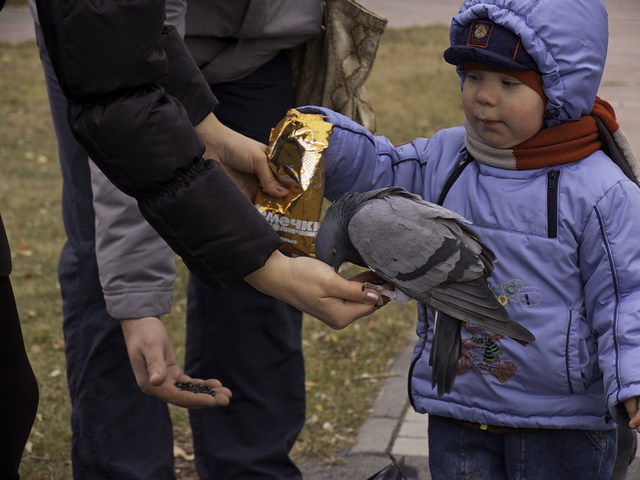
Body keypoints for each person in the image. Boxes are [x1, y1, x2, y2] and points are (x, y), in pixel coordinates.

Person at [31, 0, 381, 479]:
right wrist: (137, 305)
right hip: (103, 43)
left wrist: (212, 135)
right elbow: (124, 116)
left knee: (265, 244)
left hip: (261, 50)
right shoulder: (106, 43)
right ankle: (126, 469)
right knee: (112, 277)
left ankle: (251, 467)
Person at [296, 0, 640, 477]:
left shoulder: (602, 192)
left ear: (561, 91)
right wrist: (327, 145)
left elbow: (628, 294)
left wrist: (635, 378)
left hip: (562, 424)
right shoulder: (445, 157)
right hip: (459, 404)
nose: (484, 97)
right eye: (474, 77)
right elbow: (382, 174)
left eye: (508, 83)